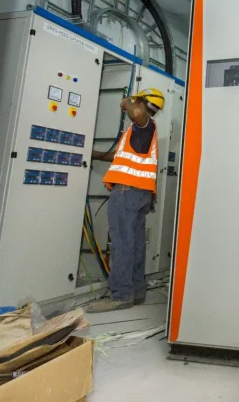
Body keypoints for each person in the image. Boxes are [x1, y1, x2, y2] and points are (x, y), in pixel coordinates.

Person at [85, 88, 164, 313]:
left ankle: (120, 296)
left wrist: (126, 101)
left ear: (141, 102)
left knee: (122, 244)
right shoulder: (141, 132)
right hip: (140, 194)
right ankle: (136, 292)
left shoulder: (144, 124)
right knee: (136, 244)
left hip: (126, 193)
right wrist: (97, 154)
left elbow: (136, 112)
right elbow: (120, 155)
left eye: (137, 101)